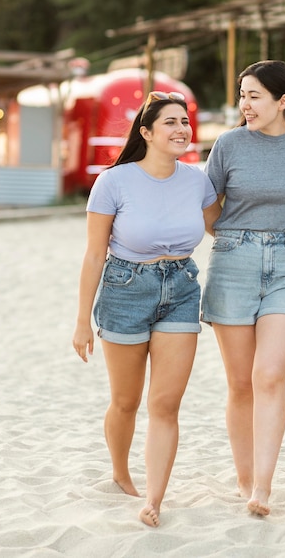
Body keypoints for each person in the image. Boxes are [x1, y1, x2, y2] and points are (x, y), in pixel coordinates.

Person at [72, 90, 221, 527]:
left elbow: (224, 227)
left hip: (181, 288)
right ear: (147, 132)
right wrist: (82, 320)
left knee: (166, 403)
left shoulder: (197, 180)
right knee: (125, 400)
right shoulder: (113, 181)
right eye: (170, 122)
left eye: (184, 122)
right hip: (124, 288)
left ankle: (154, 497)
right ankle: (121, 473)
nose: (181, 129)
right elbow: (93, 254)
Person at [201, 60, 285, 516]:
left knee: (270, 376)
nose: (245, 105)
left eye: (254, 95)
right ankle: (244, 481)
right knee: (241, 383)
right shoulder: (228, 144)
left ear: (282, 101)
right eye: (242, 95)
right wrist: (237, 237)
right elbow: (207, 207)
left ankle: (263, 487)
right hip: (232, 262)